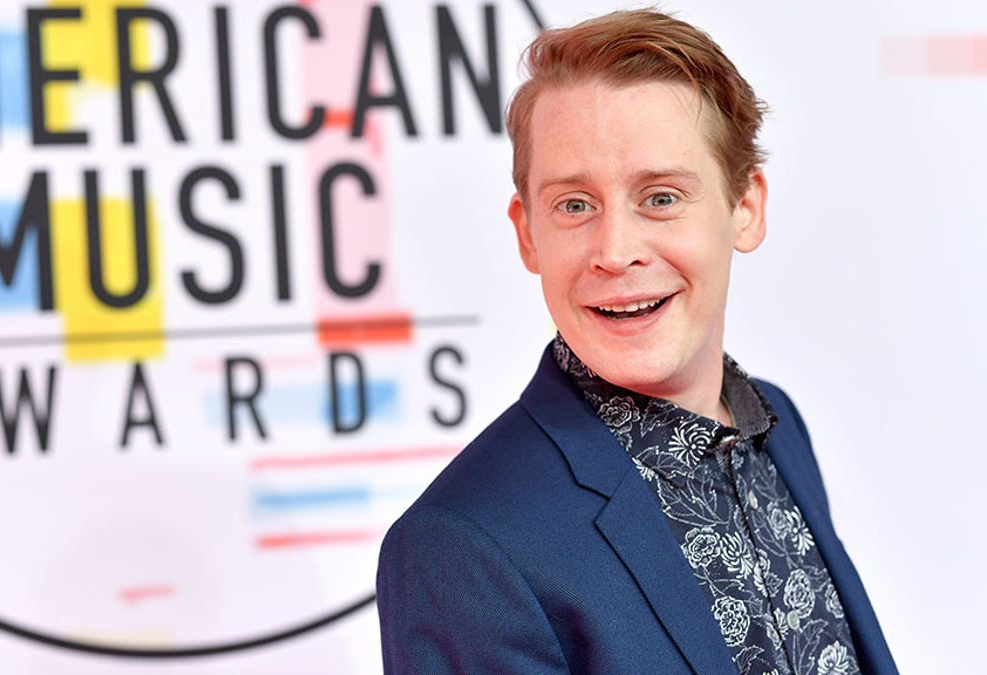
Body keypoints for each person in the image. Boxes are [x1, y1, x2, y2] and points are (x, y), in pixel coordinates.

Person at [376, 9, 897, 674]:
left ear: (746, 206)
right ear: (528, 231)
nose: (615, 252)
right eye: (574, 205)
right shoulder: (461, 548)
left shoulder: (779, 424)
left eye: (659, 198)